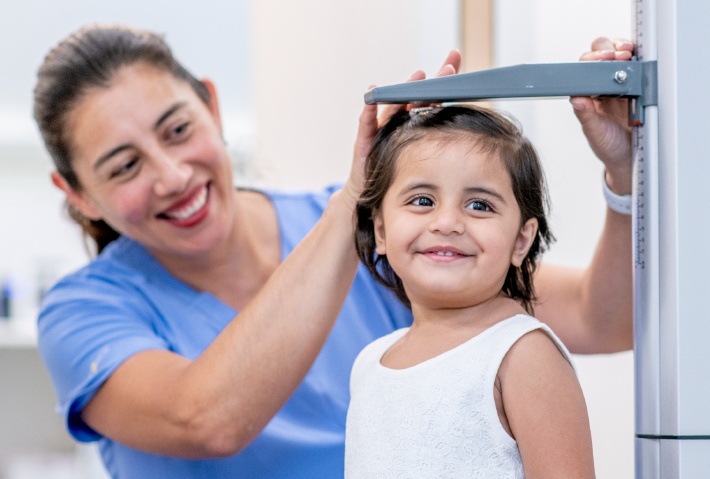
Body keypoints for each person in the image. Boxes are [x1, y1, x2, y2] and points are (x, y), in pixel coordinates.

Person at [34, 23, 632, 478]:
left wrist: (626, 170)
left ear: (213, 108)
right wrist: (359, 199)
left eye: (177, 130)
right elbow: (207, 419)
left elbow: (600, 319)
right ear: (78, 194)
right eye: (125, 165)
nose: (171, 175)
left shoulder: (402, 240)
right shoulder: (82, 313)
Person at [345, 105, 593, 478]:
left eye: (479, 205)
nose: (447, 223)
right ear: (380, 231)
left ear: (521, 241)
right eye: (422, 201)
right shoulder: (369, 362)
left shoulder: (524, 356)